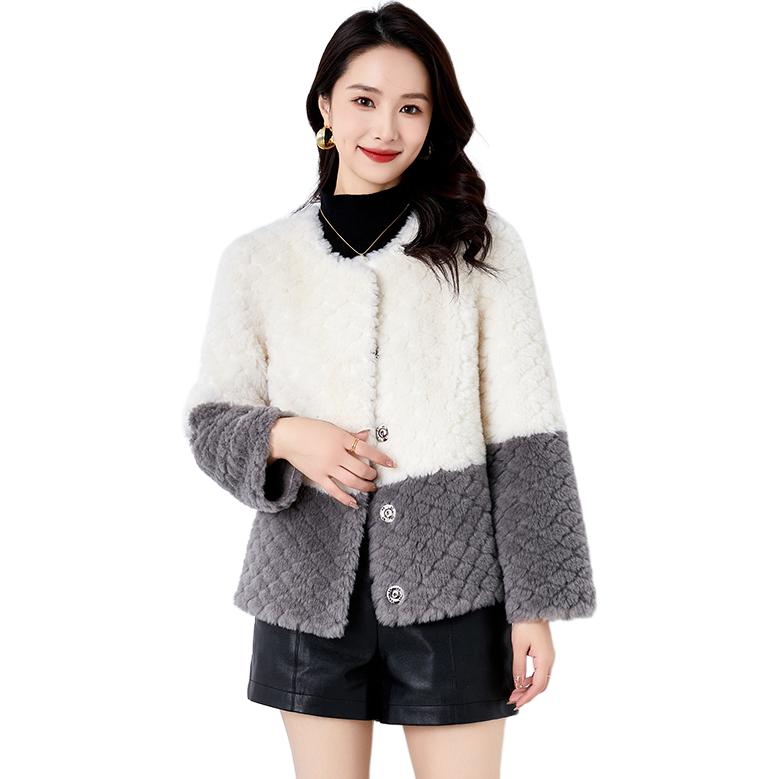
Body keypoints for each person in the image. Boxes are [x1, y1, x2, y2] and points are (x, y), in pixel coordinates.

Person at [183, 3, 597, 777]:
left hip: (455, 586)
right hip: (306, 589)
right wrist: (285, 434)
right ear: (324, 107)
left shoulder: (481, 247)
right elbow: (210, 420)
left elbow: (527, 435)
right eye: (363, 100)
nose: (384, 127)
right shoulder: (257, 261)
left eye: (410, 107)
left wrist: (535, 604)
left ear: (433, 121)